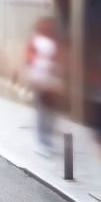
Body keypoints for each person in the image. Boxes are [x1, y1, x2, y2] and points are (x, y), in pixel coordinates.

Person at [25, 17, 64, 157]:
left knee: (51, 113)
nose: (48, 27)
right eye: (45, 25)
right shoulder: (34, 40)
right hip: (39, 80)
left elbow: (58, 58)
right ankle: (41, 142)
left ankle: (48, 140)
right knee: (42, 112)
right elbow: (29, 59)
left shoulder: (53, 41)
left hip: (52, 81)